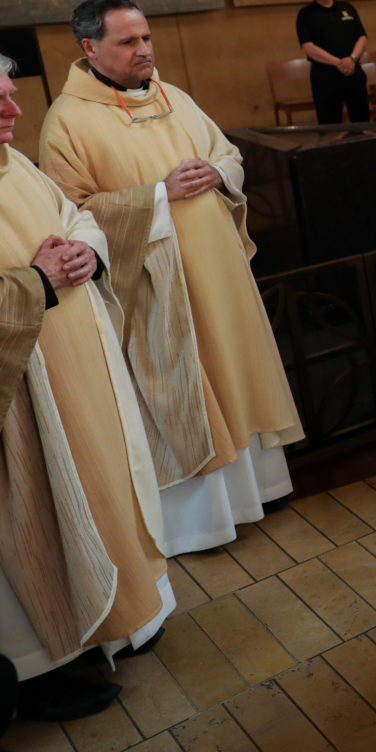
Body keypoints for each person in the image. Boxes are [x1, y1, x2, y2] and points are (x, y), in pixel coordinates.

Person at [38, 0, 305, 555]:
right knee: (186, 387)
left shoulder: (172, 95)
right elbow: (71, 212)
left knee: (235, 368)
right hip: (155, 284)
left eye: (147, 37)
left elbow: (227, 153)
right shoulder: (67, 121)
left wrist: (214, 170)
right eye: (128, 41)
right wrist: (160, 194)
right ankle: (207, 520)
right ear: (90, 48)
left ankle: (263, 487)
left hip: (219, 270)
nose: (145, 50)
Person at [0, 59, 173, 720]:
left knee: (100, 490)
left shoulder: (15, 164)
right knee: (38, 522)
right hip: (21, 402)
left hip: (78, 376)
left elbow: (76, 216)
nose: (15, 113)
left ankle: (115, 622)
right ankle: (45, 671)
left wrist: (86, 251)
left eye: (12, 98)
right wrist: (38, 284)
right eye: (0, 103)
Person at [295, 0, 370, 125]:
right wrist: (338, 63)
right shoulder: (305, 14)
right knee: (330, 128)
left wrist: (352, 59)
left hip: (353, 73)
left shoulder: (347, 8)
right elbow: (308, 47)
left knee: (363, 124)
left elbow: (362, 37)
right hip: (325, 78)